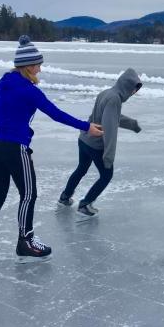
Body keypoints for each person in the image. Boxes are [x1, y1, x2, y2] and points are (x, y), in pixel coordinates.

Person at [0, 35, 103, 265]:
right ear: (29, 66)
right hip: (16, 148)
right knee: (29, 194)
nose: (40, 69)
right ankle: (25, 241)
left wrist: (8, 125)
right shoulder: (28, 90)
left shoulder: (3, 84)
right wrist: (87, 127)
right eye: (38, 65)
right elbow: (55, 113)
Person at [58, 68, 142, 221]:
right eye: (133, 89)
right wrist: (108, 156)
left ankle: (65, 197)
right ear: (127, 86)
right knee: (106, 174)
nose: (133, 93)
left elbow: (108, 116)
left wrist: (132, 124)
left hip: (84, 139)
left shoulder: (107, 93)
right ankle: (85, 204)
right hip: (95, 144)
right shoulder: (115, 99)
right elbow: (109, 127)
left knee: (81, 168)